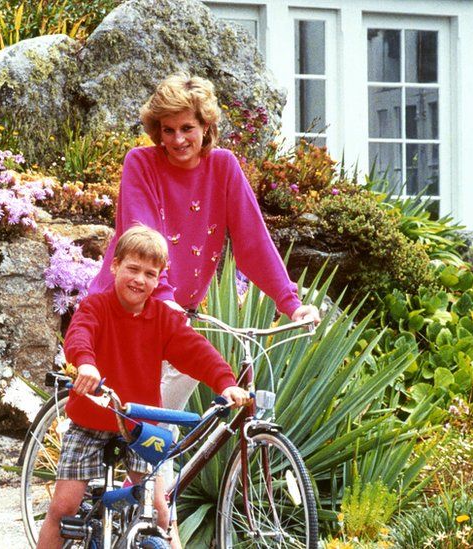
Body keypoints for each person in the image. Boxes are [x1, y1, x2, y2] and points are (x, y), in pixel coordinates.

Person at [87, 73, 320, 418]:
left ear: (206, 126)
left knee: (160, 423)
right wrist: (163, 296)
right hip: (128, 304)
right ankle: (136, 461)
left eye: (187, 128)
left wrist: (290, 303)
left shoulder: (223, 166)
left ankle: (146, 463)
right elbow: (142, 238)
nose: (178, 139)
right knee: (142, 422)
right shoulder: (141, 163)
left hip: (175, 315)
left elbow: (253, 241)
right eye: (168, 130)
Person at [37, 225, 250, 549]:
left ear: (159, 278)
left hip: (137, 425)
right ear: (115, 265)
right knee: (63, 507)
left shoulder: (164, 319)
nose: (139, 279)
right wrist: (86, 363)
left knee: (160, 514)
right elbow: (80, 334)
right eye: (132, 269)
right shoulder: (96, 306)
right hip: (91, 420)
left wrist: (226, 383)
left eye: (150, 273)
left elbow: (196, 351)